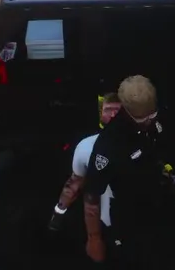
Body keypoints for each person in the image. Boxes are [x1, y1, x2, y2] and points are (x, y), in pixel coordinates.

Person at [80, 76, 175, 270]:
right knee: (112, 260)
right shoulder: (108, 147)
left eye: (153, 114)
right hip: (126, 212)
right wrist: (94, 237)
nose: (152, 120)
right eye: (145, 118)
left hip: (155, 204)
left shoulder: (153, 123)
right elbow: (91, 197)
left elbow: (159, 162)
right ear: (129, 114)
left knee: (153, 257)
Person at [48, 93, 122, 232]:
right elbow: (73, 185)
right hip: (109, 223)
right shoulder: (86, 146)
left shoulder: (145, 142)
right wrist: (57, 215)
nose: (113, 115)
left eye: (117, 110)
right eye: (108, 110)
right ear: (100, 114)